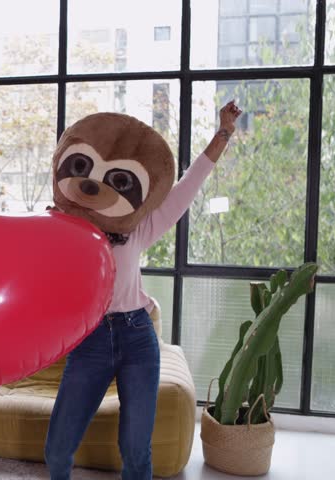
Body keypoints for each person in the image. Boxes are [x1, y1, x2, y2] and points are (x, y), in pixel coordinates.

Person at [44, 101, 242, 480]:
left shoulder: (137, 229)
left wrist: (224, 132)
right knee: (57, 449)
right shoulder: (60, 232)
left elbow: (188, 187)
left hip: (136, 336)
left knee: (136, 452)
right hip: (90, 342)